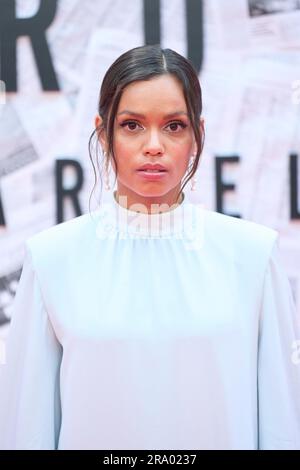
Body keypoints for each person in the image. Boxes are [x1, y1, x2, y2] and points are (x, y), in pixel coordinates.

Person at [0, 44, 299, 450]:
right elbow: (27, 429)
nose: (154, 145)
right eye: (132, 125)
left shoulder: (253, 256)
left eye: (174, 125)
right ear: (103, 132)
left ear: (198, 134)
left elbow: (281, 427)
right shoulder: (52, 258)